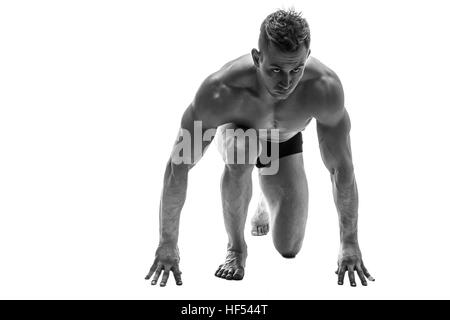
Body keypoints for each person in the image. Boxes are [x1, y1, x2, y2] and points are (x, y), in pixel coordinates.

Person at [145, 9, 374, 287]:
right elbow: (178, 166)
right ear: (257, 58)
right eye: (275, 69)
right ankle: (236, 248)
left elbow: (342, 168)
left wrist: (349, 243)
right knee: (244, 151)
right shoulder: (220, 91)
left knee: (289, 247)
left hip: (282, 143)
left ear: (307, 57)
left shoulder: (324, 89)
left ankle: (263, 198)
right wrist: (168, 243)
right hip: (240, 133)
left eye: (296, 69)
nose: (287, 82)